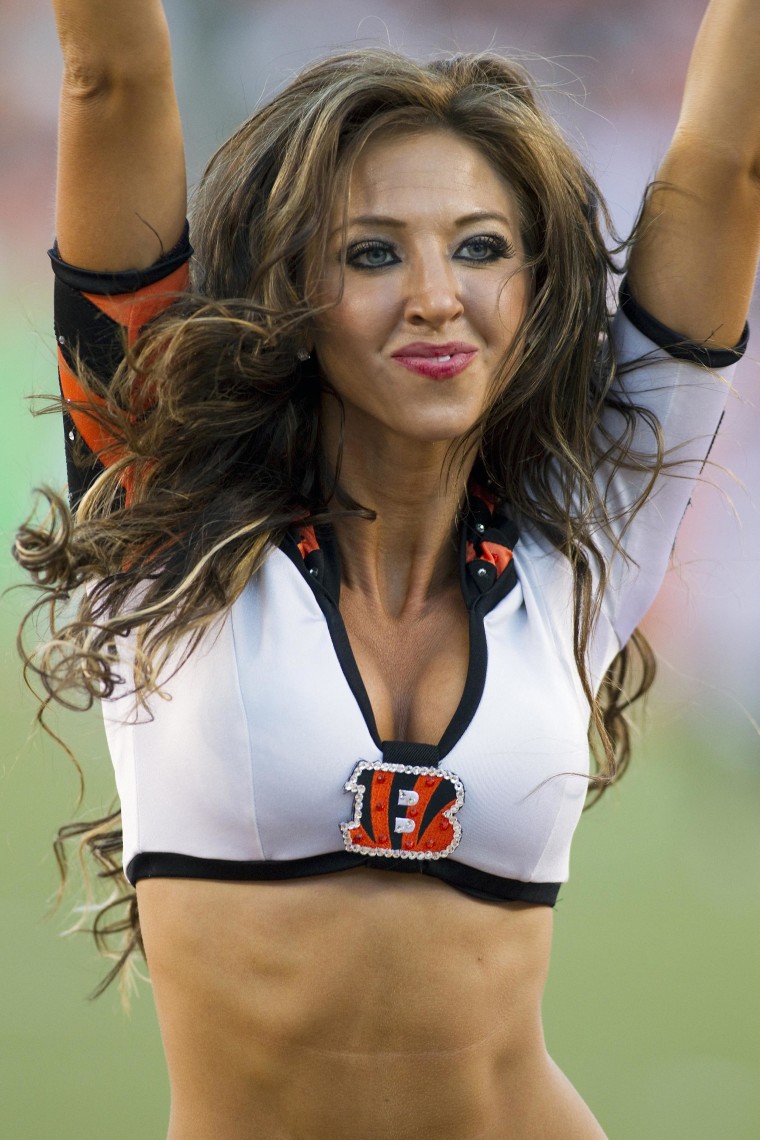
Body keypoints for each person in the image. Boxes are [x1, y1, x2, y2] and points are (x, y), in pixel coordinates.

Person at [14, 0, 759, 1136]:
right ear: (293, 292)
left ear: (531, 290)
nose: (435, 294)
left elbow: (726, 159)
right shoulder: (169, 514)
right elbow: (109, 71)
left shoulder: (584, 541)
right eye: (372, 252)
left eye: (480, 248)